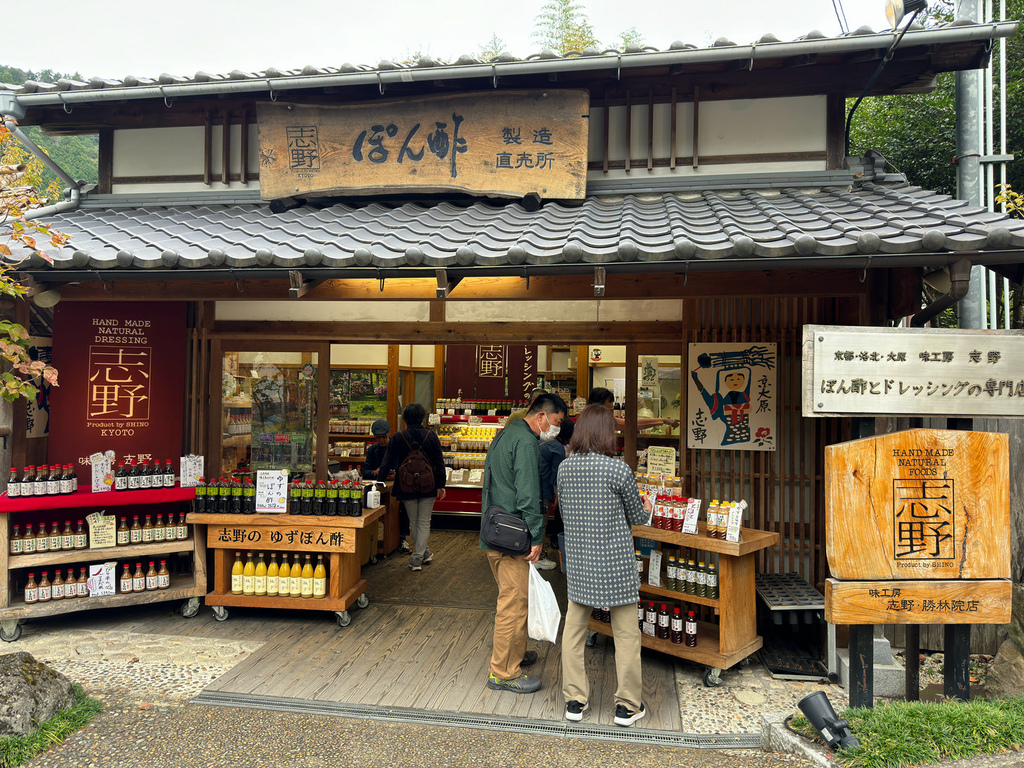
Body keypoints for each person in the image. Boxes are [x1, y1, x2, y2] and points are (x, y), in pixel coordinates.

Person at [556, 403, 652, 727]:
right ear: (607, 433)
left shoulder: (565, 468)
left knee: (573, 633)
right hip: (614, 563)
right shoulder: (618, 469)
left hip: (581, 562)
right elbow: (637, 518)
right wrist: (647, 505)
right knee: (626, 635)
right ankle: (626, 706)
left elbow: (565, 513)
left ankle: (574, 701)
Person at [480, 392, 567, 694]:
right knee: (513, 606)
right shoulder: (528, 442)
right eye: (556, 422)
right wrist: (537, 537)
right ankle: (502, 672)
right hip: (515, 536)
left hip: (495, 530)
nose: (555, 428)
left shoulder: (505, 434)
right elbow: (529, 495)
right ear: (541, 416)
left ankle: (515, 654)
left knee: (516, 599)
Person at [376, 403, 446, 571]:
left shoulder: (399, 437)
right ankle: (419, 557)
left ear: (405, 419)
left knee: (414, 522)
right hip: (428, 485)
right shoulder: (431, 436)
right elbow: (439, 462)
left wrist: (379, 482)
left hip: (406, 485)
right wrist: (441, 484)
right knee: (424, 522)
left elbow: (386, 462)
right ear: (422, 418)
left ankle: (420, 554)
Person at [362, 418, 411, 553]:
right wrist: (375, 472)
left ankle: (402, 538)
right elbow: (365, 470)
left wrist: (397, 473)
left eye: (383, 437)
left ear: (389, 433)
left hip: (397, 485)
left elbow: (406, 467)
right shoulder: (373, 450)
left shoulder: (398, 448)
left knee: (402, 507)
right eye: (378, 438)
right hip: (379, 486)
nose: (381, 440)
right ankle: (369, 540)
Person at [538, 416, 574, 568]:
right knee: (542, 523)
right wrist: (558, 495)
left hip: (533, 487)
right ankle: (538, 557)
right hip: (544, 490)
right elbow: (557, 476)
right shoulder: (557, 448)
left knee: (535, 522)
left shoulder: (542, 441)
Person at [587, 387, 679, 432]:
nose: (612, 405)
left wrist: (663, 420)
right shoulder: (600, 418)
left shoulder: (587, 416)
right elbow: (632, 424)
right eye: (610, 401)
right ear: (600, 402)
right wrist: (663, 420)